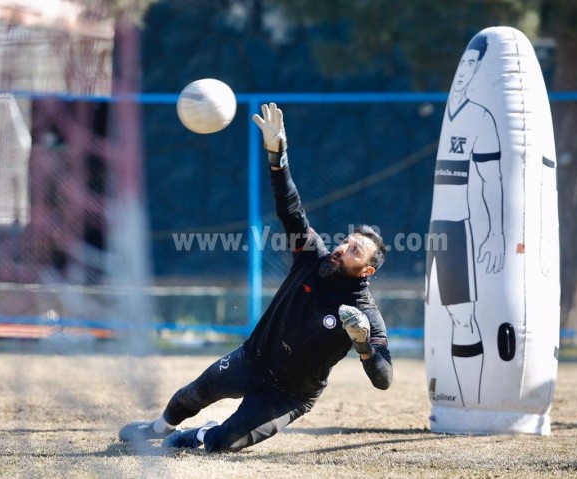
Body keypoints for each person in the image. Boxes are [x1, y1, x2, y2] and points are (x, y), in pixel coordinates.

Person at [119, 102, 393, 453]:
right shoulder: (313, 258)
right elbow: (290, 209)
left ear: (367, 271)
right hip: (254, 359)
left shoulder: (365, 315)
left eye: (355, 251)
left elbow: (384, 379)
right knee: (195, 392)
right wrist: (278, 156)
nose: (342, 249)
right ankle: (157, 427)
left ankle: (202, 434)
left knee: (221, 445)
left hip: (292, 394)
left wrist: (364, 345)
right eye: (346, 242)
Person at [425, 33, 505, 407]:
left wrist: (496, 234)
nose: (464, 71)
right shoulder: (445, 117)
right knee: (434, 315)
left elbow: (493, 180)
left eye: (472, 65)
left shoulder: (481, 118)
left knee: (462, 318)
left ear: (477, 73)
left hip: (458, 230)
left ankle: (471, 408)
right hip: (433, 233)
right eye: (463, 63)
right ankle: (447, 401)